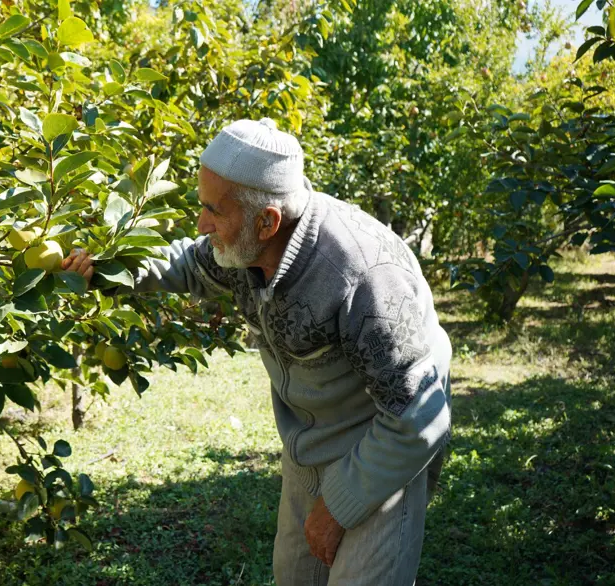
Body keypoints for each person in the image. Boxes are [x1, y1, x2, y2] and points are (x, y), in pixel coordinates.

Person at [62, 118, 452, 585]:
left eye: (212, 211)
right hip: (309, 446)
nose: (201, 224)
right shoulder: (244, 243)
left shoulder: (364, 277)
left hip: (385, 444)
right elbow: (186, 263)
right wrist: (103, 269)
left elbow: (418, 416)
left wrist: (339, 506)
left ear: (267, 221)